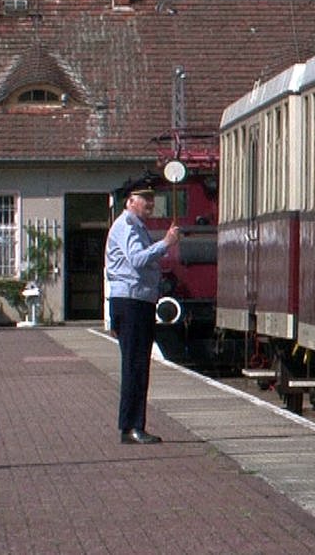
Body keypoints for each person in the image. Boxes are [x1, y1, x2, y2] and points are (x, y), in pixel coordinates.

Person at [105, 187, 181, 444]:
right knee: (134, 366)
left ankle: (134, 424)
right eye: (145, 199)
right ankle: (131, 426)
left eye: (152, 198)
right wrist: (165, 244)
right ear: (131, 201)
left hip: (138, 299)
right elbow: (136, 259)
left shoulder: (137, 225)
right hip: (131, 300)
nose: (150, 203)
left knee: (138, 365)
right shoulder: (127, 224)